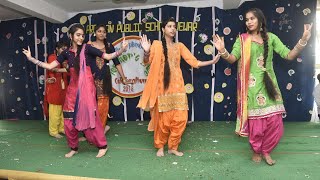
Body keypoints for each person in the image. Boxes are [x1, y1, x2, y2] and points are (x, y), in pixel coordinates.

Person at [212, 8, 312, 165]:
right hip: (252, 88)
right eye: (246, 19)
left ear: (260, 20)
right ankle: (257, 151)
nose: (249, 21)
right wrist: (223, 50)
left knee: (276, 124)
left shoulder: (271, 38)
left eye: (252, 18)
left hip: (270, 86)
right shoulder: (242, 39)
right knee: (257, 126)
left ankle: (266, 150)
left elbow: (289, 55)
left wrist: (303, 40)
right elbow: (232, 59)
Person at [22, 24, 128, 158]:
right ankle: (73, 147)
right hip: (72, 90)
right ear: (71, 36)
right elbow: (50, 66)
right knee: (68, 121)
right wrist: (31, 59)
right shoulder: (66, 53)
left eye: (83, 35)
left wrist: (121, 50)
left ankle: (102, 145)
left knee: (92, 120)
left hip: (87, 89)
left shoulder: (88, 48)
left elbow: (107, 57)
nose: (81, 38)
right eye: (78, 35)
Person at [138, 17, 220, 157]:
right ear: (163, 29)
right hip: (162, 88)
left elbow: (193, 62)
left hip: (178, 87)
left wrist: (212, 61)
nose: (173, 29)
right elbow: (147, 62)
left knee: (181, 118)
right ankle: (160, 146)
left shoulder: (179, 46)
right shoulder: (157, 45)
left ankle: (173, 147)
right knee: (163, 120)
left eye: (174, 26)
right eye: (169, 26)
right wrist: (146, 51)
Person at [89, 24, 131, 133]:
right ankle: (89, 132)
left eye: (104, 31)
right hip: (91, 79)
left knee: (103, 106)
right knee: (90, 105)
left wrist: (123, 78)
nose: (101, 33)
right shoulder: (89, 46)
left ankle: (100, 130)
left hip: (105, 78)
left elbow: (117, 63)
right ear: (94, 33)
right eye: (99, 31)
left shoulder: (108, 46)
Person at [45, 41, 68, 138]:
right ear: (57, 49)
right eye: (62, 49)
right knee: (55, 110)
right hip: (55, 86)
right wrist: (52, 77)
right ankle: (53, 131)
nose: (64, 51)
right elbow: (51, 70)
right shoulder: (52, 57)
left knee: (63, 110)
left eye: (66, 49)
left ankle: (62, 128)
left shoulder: (67, 58)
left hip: (64, 87)